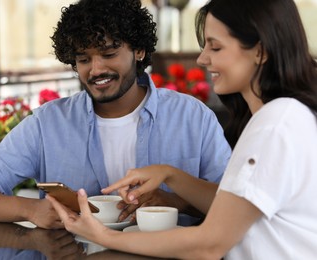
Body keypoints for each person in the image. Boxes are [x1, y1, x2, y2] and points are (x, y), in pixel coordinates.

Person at [47, 0, 317, 258]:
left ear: (260, 51)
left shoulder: (275, 124)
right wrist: (170, 174)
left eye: (215, 47)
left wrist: (105, 237)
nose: (202, 59)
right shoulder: (283, 116)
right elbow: (232, 206)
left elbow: (209, 245)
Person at [0, 0, 230, 229]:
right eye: (83, 59)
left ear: (139, 50)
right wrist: (31, 209)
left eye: (108, 54)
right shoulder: (49, 123)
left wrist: (174, 201)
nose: (95, 70)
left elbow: (235, 205)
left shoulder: (192, 117)